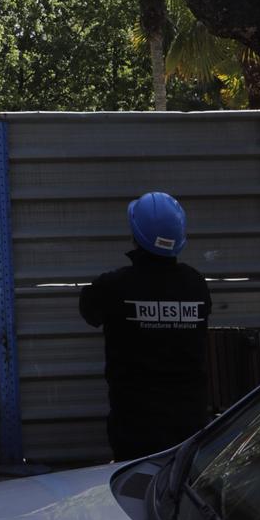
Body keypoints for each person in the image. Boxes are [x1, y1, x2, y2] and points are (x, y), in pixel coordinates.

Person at [79, 191, 212, 460]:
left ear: (135, 234)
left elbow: (90, 312)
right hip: (190, 426)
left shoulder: (114, 287)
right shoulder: (196, 284)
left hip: (135, 429)